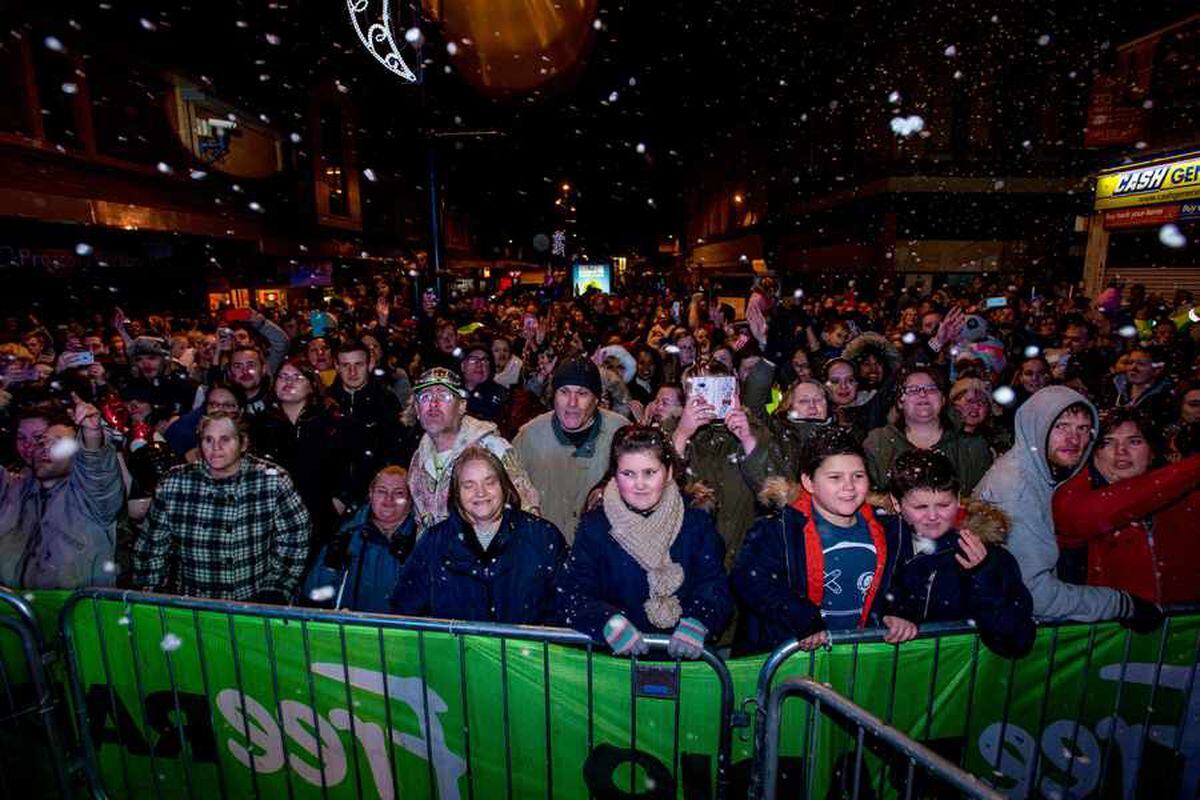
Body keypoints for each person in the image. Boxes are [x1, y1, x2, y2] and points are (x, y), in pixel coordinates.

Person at [972, 386, 1162, 628]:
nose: (1074, 439)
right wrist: (1120, 604)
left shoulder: (1039, 472)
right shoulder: (1017, 490)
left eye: (1083, 429)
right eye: (1061, 426)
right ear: (1037, 427)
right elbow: (1037, 597)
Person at [730, 428, 913, 655]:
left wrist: (898, 610)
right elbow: (750, 579)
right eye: (835, 477)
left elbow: (908, 578)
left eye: (858, 476)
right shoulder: (780, 529)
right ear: (809, 482)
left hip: (862, 657)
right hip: (795, 658)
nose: (849, 486)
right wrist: (801, 617)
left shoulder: (891, 528)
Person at [556, 426, 733, 659]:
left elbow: (714, 584)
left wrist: (700, 619)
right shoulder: (596, 527)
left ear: (668, 473)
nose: (639, 484)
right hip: (614, 661)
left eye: (650, 472)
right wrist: (606, 620)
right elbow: (572, 592)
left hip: (682, 660)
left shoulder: (695, 523)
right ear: (615, 475)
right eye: (628, 474)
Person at [133, 414, 311, 602]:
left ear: (243, 443)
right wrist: (151, 596)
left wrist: (276, 588)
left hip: (254, 601)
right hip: (193, 603)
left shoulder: (272, 480)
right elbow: (151, 546)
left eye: (225, 439)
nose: (215, 448)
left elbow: (296, 535)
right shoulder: (174, 483)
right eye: (208, 440)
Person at [883, 450, 1035, 658]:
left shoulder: (987, 555)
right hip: (880, 674)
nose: (933, 516)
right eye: (920, 507)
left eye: (944, 505)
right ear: (897, 502)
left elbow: (1017, 642)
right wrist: (887, 617)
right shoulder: (878, 543)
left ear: (958, 499)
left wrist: (982, 576)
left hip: (952, 677)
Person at [391, 447, 565, 623]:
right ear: (456, 493)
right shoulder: (434, 542)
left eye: (489, 482)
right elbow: (406, 611)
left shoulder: (542, 537)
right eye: (469, 485)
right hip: (455, 650)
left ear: (504, 486)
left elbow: (566, 607)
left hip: (527, 650)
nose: (480, 493)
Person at [1053, 409, 1200, 604]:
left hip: (1182, 627)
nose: (1120, 451)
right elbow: (1088, 515)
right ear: (1093, 453)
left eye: (1134, 441)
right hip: (1106, 628)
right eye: (1108, 442)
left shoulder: (1183, 496)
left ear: (1152, 452)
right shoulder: (1072, 497)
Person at [0, 398, 124, 588]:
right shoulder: (15, 487)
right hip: (12, 610)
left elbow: (97, 468)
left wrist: (91, 433)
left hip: (72, 612)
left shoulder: (90, 497)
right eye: (22, 438)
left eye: (39, 438)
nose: (34, 447)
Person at [672, 361, 785, 568]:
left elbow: (778, 496)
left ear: (734, 390)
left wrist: (748, 440)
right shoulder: (673, 431)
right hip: (690, 562)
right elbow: (657, 491)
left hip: (745, 562)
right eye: (703, 388)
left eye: (720, 387)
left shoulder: (755, 431)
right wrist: (681, 434)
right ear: (688, 394)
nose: (712, 398)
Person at [408, 367, 539, 530]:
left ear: (462, 406)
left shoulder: (492, 449)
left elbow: (528, 510)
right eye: (425, 397)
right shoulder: (418, 461)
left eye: (444, 396)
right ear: (417, 409)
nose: (433, 404)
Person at [513, 358, 626, 542]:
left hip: (602, 552)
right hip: (544, 550)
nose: (572, 403)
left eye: (582, 393)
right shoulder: (529, 437)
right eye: (564, 392)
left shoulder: (619, 433)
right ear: (553, 395)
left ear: (596, 399)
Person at [252, 359, 347, 550]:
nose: (289, 382)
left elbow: (349, 466)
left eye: (297, 377)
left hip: (320, 518)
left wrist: (340, 501)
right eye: (283, 377)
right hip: (271, 520)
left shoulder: (331, 423)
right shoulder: (259, 425)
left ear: (312, 385)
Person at [302, 465, 416, 613]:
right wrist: (329, 568)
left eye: (399, 493)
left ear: (410, 499)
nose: (389, 500)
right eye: (381, 491)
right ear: (371, 494)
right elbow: (315, 594)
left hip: (400, 631)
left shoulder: (421, 539)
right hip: (352, 629)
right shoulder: (347, 534)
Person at [864, 366, 992, 493]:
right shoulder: (878, 442)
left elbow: (982, 503)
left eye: (931, 389)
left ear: (943, 399)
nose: (923, 394)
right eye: (913, 390)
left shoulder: (972, 447)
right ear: (900, 402)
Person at [329, 338, 405, 507]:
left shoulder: (386, 401)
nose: (352, 372)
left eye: (359, 364)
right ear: (336, 366)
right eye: (345, 365)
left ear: (370, 365)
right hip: (332, 499)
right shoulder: (325, 402)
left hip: (376, 496)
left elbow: (396, 451)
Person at [460, 341, 509, 423]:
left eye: (484, 360)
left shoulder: (501, 394)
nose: (479, 364)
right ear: (463, 366)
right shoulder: (452, 392)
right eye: (473, 360)